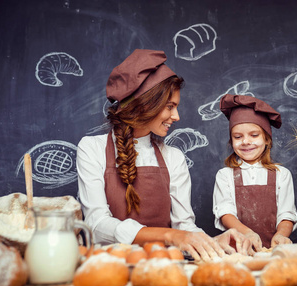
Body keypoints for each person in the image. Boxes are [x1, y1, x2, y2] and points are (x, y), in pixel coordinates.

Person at [77, 49, 250, 260]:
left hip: (165, 265)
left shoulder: (174, 157)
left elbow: (184, 226)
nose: (176, 116)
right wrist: (171, 235)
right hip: (109, 266)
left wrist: (212, 242)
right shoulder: (91, 149)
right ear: (146, 105)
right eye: (170, 107)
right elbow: (97, 224)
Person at [212, 94, 297, 253]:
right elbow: (225, 214)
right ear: (232, 141)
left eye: (254, 135)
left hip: (274, 251)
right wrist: (247, 234)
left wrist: (281, 235)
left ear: (267, 139)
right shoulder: (225, 175)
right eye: (238, 137)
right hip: (236, 251)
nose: (245, 141)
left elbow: (287, 214)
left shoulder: (282, 174)